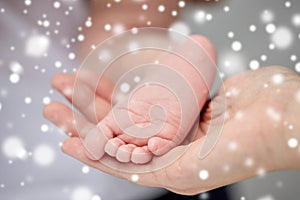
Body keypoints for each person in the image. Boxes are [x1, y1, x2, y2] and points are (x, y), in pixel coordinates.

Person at [44, 0, 300, 197]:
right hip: (174, 182)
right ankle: (156, 74)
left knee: (123, 22)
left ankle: (158, 75)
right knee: (122, 27)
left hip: (169, 181)